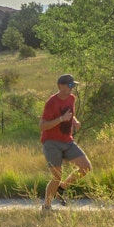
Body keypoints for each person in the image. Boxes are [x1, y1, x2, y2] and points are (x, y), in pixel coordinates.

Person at [39, 73, 91, 211]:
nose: (71, 88)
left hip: (67, 140)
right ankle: (47, 206)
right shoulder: (51, 102)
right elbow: (42, 126)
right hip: (51, 142)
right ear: (60, 86)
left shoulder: (72, 98)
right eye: (69, 85)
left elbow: (71, 115)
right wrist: (61, 119)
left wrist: (75, 121)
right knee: (56, 176)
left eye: (72, 85)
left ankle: (62, 187)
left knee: (85, 167)